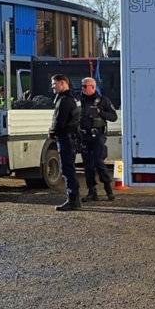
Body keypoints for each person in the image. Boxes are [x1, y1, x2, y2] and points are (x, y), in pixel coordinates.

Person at [78, 77, 118, 202]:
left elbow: (113, 117)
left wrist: (101, 112)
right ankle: (92, 191)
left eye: (85, 86)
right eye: (82, 86)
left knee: (98, 162)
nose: (82, 89)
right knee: (87, 165)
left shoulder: (103, 100)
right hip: (84, 135)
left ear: (93, 87)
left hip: (98, 135)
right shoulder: (79, 101)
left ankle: (108, 189)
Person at [50, 74, 82, 211]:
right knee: (70, 169)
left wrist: (52, 132)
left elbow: (59, 120)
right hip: (72, 137)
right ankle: (76, 199)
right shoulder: (75, 98)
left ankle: (73, 200)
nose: (52, 86)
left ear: (63, 83)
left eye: (54, 83)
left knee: (67, 170)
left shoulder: (64, 100)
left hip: (66, 138)